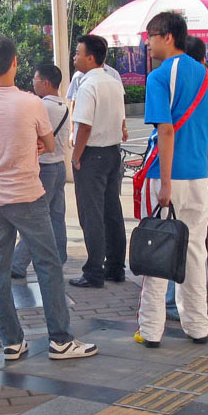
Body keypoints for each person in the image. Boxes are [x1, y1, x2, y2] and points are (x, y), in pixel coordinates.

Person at [0, 34, 97, 361]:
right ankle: (60, 339)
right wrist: (34, 144)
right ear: (15, 62)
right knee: (48, 265)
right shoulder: (31, 102)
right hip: (28, 193)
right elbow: (50, 145)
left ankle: (11, 342)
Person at [135, 12, 208, 348]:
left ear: (167, 36)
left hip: (165, 176)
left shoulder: (158, 77)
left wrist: (166, 182)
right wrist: (202, 169)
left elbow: (166, 130)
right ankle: (198, 326)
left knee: (158, 249)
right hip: (199, 178)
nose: (147, 42)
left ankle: (151, 330)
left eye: (151, 35)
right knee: (195, 252)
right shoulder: (204, 74)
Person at [166, 35, 208, 322]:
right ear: (204, 60)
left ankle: (170, 302)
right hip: (206, 178)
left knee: (174, 236)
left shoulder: (171, 88)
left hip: (178, 175)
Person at [70, 35, 127, 288]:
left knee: (91, 214)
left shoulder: (87, 85)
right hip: (114, 153)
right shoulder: (114, 82)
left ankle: (93, 271)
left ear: (90, 57)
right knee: (112, 212)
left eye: (78, 53)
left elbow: (84, 126)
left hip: (92, 155)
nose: (75, 57)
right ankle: (115, 267)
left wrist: (76, 155)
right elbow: (123, 122)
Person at [11, 63, 69, 278]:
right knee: (56, 217)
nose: (33, 85)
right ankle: (59, 258)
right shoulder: (62, 105)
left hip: (44, 168)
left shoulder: (42, 106)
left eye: (35, 81)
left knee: (34, 219)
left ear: (45, 83)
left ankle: (17, 264)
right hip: (59, 166)